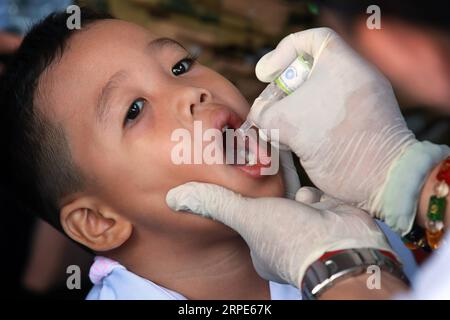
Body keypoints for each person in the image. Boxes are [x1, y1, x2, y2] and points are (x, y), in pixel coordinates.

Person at [166, 27, 450, 299]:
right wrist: (416, 184)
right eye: (134, 111)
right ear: (117, 225)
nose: (190, 93)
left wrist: (406, 180)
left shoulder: (379, 232)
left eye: (180, 66)